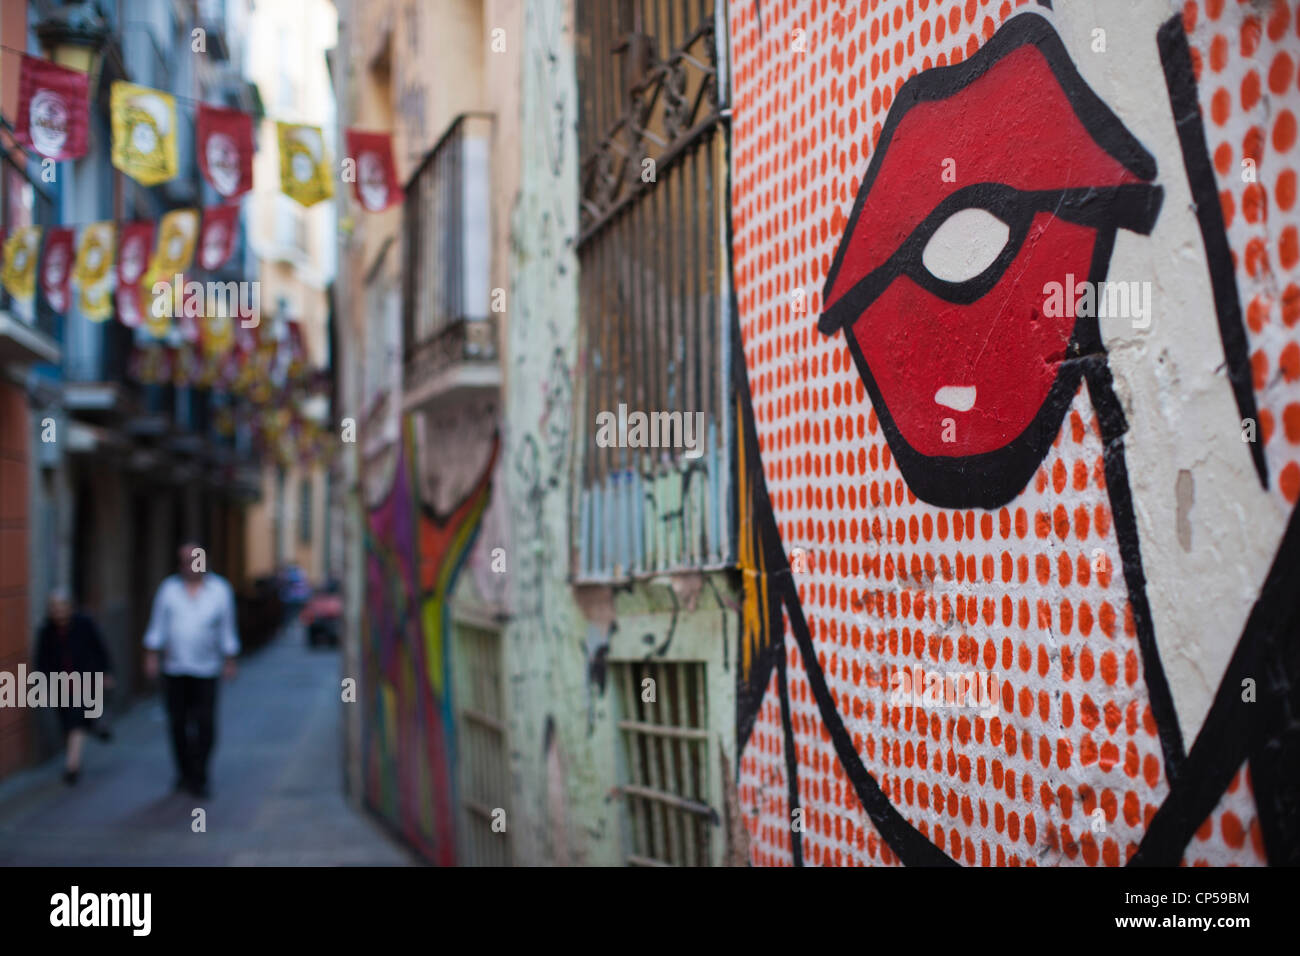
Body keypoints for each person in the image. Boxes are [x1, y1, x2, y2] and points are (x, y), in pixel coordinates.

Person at [143, 542, 240, 798]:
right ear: (180, 564)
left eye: (195, 559)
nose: (191, 565)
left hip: (207, 669)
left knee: (205, 724)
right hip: (175, 668)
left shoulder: (220, 590)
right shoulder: (169, 590)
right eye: (186, 560)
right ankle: (184, 772)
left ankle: (200, 774)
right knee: (177, 724)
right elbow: (158, 626)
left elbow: (227, 628)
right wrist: (152, 655)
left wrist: (230, 659)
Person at [35, 590, 114, 785]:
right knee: (67, 722)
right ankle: (95, 724)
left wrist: (106, 672)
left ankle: (72, 766)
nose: (58, 611)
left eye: (62, 606)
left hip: (85, 680)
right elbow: (42, 660)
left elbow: (99, 648)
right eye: (54, 607)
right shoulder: (46, 631)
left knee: (75, 720)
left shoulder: (84, 624)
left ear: (70, 607)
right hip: (60, 685)